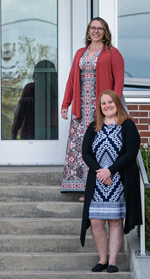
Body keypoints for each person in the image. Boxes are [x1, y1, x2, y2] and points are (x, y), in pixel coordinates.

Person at [60, 17, 124, 201]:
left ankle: (97, 186)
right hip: (81, 108)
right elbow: (72, 80)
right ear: (88, 31)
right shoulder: (81, 52)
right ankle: (83, 188)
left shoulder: (112, 53)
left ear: (105, 33)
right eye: (93, 28)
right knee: (82, 146)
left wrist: (114, 106)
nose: (96, 31)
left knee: (99, 146)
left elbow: (118, 82)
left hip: (101, 108)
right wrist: (66, 104)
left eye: (100, 28)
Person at [80, 90, 142, 273]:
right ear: (100, 107)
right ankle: (103, 259)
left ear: (117, 103)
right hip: (98, 182)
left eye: (110, 102)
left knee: (115, 221)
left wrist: (110, 171)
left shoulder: (128, 125)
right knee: (96, 222)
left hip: (119, 181)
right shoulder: (93, 127)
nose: (107, 106)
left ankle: (113, 262)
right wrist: (101, 172)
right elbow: (86, 153)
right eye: (103, 103)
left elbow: (130, 153)